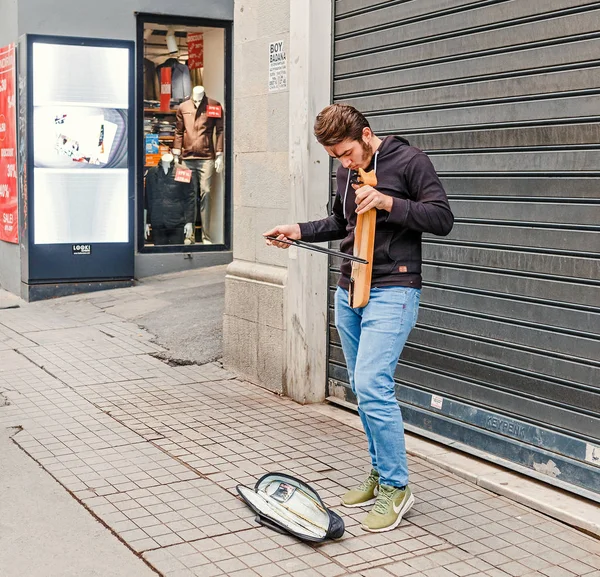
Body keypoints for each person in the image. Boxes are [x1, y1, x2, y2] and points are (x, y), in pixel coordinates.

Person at [263, 104, 454, 533]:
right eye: (336, 158)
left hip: (395, 288)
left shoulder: (410, 161)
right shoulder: (346, 171)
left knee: (372, 384)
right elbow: (339, 222)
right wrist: (297, 229)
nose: (345, 163)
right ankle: (378, 471)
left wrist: (389, 201)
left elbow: (442, 218)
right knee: (361, 388)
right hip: (351, 289)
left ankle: (396, 486)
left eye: (347, 153)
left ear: (366, 135)